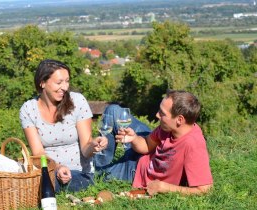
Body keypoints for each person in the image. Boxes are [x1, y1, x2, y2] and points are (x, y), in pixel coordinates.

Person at [94, 90, 213, 195]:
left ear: (179, 120)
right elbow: (146, 145)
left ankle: (95, 170)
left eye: (162, 113)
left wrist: (165, 187)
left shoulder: (193, 144)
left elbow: (204, 189)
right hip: (145, 155)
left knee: (95, 176)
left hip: (134, 171)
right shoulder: (168, 127)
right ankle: (99, 162)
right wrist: (134, 138)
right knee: (113, 110)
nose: (157, 115)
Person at [19, 59, 108, 192]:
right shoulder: (28, 109)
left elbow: (86, 147)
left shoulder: (77, 101)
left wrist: (94, 145)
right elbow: (38, 153)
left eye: (67, 81)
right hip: (49, 171)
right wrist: (58, 167)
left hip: (79, 172)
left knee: (46, 186)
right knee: (45, 181)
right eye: (59, 82)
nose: (65, 87)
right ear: (42, 83)